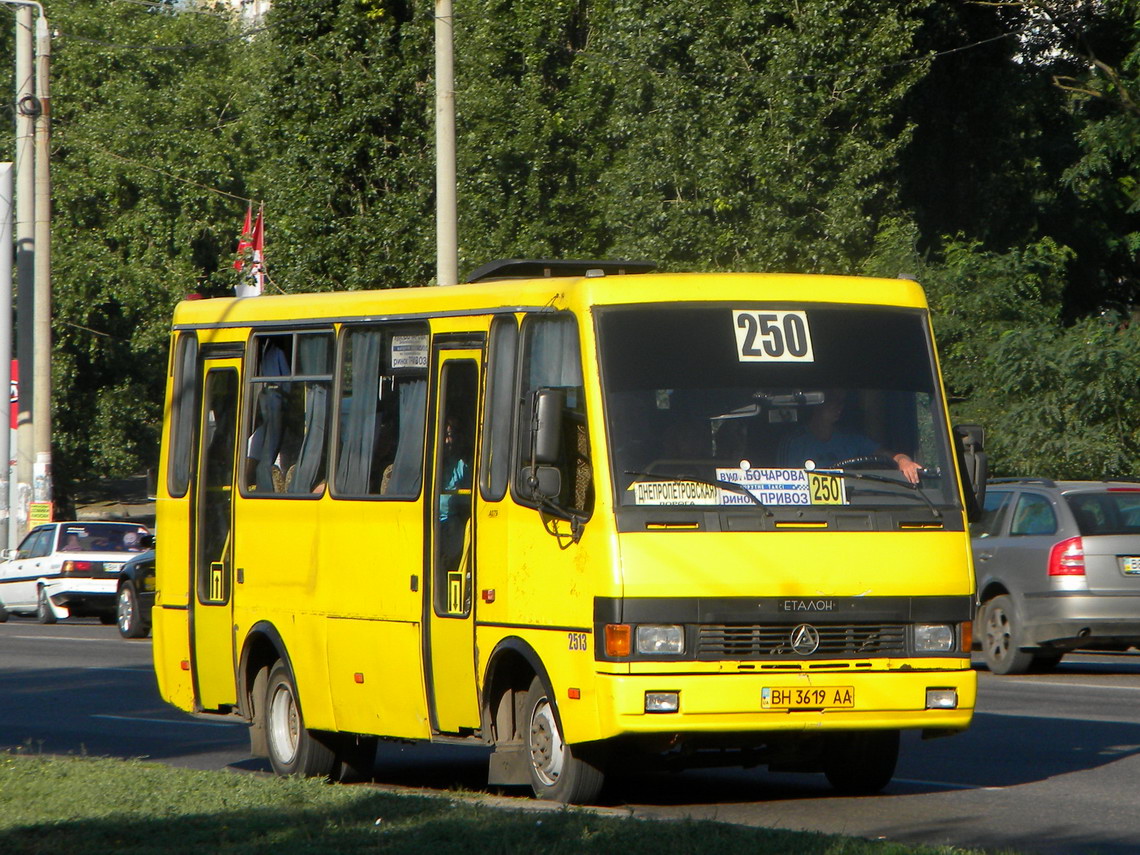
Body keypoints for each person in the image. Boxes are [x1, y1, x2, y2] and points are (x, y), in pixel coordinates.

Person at [781, 390, 923, 484]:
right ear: (816, 403)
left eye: (841, 402)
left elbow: (889, 456)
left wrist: (904, 461)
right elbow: (787, 484)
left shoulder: (852, 440)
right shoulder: (795, 442)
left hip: (854, 502)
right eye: (832, 400)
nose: (839, 406)